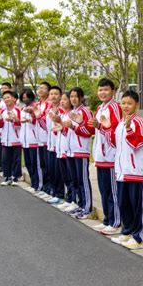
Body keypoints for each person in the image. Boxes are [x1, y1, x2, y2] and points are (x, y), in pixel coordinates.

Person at [101, 90, 143, 250]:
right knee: (124, 203)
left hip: (135, 171)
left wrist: (129, 129)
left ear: (137, 105)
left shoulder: (138, 122)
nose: (126, 106)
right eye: (123, 103)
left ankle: (139, 237)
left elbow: (137, 144)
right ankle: (127, 231)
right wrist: (107, 129)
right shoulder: (120, 124)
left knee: (136, 205)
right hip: (121, 171)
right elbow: (114, 144)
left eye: (129, 103)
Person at [86, 78, 123, 235]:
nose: (103, 92)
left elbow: (114, 132)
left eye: (106, 89)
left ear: (113, 91)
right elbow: (96, 132)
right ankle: (107, 219)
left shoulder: (114, 108)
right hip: (101, 157)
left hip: (111, 157)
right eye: (100, 90)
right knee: (104, 190)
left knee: (112, 192)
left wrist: (100, 126)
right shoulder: (100, 108)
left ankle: (115, 221)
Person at [60, 87, 93, 218]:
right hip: (71, 151)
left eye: (75, 96)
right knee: (75, 180)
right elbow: (67, 132)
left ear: (81, 97)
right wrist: (62, 126)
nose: (73, 99)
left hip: (81, 150)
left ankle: (87, 207)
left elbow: (89, 132)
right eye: (71, 96)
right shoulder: (71, 112)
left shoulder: (85, 112)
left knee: (83, 180)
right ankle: (80, 204)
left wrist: (74, 126)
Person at [0, 91, 22, 186]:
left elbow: (20, 124)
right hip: (5, 139)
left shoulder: (19, 110)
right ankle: (7, 177)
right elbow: (0, 125)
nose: (6, 99)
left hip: (16, 139)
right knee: (5, 159)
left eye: (8, 97)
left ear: (14, 99)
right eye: (4, 98)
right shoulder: (2, 111)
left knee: (16, 159)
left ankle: (16, 177)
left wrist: (13, 120)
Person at [34, 82, 52, 197]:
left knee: (48, 165)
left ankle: (49, 188)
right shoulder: (37, 104)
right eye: (39, 88)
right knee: (42, 165)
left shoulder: (48, 104)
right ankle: (44, 186)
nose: (40, 90)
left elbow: (44, 120)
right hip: (39, 139)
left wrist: (38, 116)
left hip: (47, 139)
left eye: (43, 88)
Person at [19, 89, 39, 192]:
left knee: (35, 163)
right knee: (28, 163)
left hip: (34, 140)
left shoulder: (35, 107)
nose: (25, 99)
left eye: (27, 97)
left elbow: (37, 121)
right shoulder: (23, 109)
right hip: (25, 140)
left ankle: (37, 184)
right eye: (23, 98)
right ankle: (33, 183)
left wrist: (31, 115)